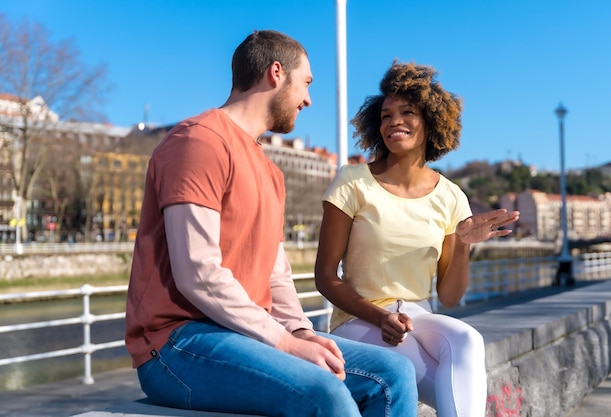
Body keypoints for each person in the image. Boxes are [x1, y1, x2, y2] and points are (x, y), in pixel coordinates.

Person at [125, 30, 418, 417]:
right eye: (306, 83)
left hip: (244, 335)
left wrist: (299, 331)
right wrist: (283, 343)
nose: (309, 99)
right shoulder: (198, 142)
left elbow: (275, 275)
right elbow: (196, 271)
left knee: (394, 372)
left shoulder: (269, 171)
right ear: (276, 73)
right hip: (178, 342)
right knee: (323, 393)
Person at [315, 61, 520, 417]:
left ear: (430, 121)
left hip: (417, 317)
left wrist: (463, 246)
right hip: (358, 320)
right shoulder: (352, 181)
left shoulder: (452, 196)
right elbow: (325, 277)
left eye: (407, 112)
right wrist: (379, 317)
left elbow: (451, 297)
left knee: (467, 339)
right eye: (385, 115)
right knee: (439, 381)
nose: (394, 121)